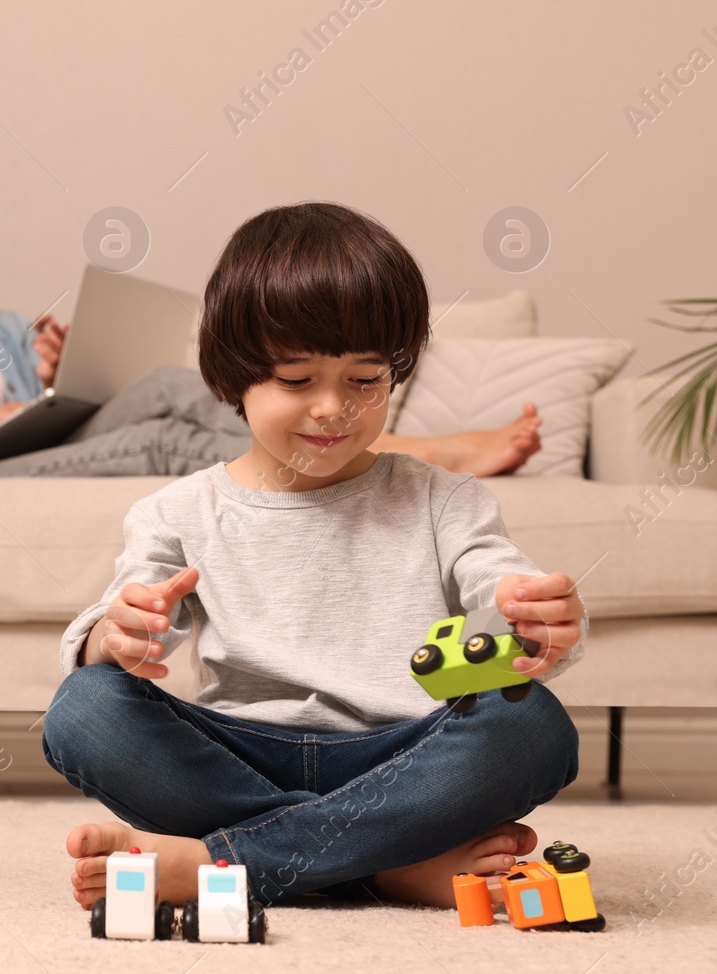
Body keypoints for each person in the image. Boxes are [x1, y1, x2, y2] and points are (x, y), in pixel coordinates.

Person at [41, 202, 585, 913]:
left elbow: (500, 584)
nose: (333, 408)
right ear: (233, 377)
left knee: (533, 725)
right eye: (297, 380)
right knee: (83, 709)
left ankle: (221, 863)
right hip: (240, 755)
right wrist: (114, 634)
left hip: (403, 753)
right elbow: (119, 628)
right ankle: (384, 863)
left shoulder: (445, 500)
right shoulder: (177, 510)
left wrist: (536, 616)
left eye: (365, 380)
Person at [0, 166, 544, 481]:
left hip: (30, 439)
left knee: (170, 379)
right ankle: (399, 453)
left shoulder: (5, 323)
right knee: (167, 438)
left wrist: (54, 377)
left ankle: (383, 447)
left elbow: (41, 410)